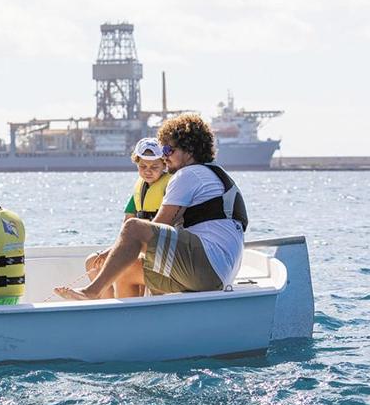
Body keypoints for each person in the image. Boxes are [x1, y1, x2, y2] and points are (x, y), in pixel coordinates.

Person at [55, 113, 248, 301]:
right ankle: (126, 323)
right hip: (218, 272)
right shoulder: (212, 173)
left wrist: (117, 248)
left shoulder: (189, 175)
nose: (164, 157)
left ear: (189, 151)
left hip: (208, 266)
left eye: (168, 151)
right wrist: (117, 254)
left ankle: (92, 291)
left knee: (133, 227)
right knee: (125, 271)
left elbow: (157, 226)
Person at [83, 137, 171, 298]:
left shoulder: (169, 187)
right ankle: (106, 307)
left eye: (154, 167)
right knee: (93, 262)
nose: (148, 170)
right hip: (136, 249)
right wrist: (109, 251)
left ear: (165, 165)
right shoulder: (139, 190)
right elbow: (126, 228)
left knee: (125, 268)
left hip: (156, 252)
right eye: (143, 166)